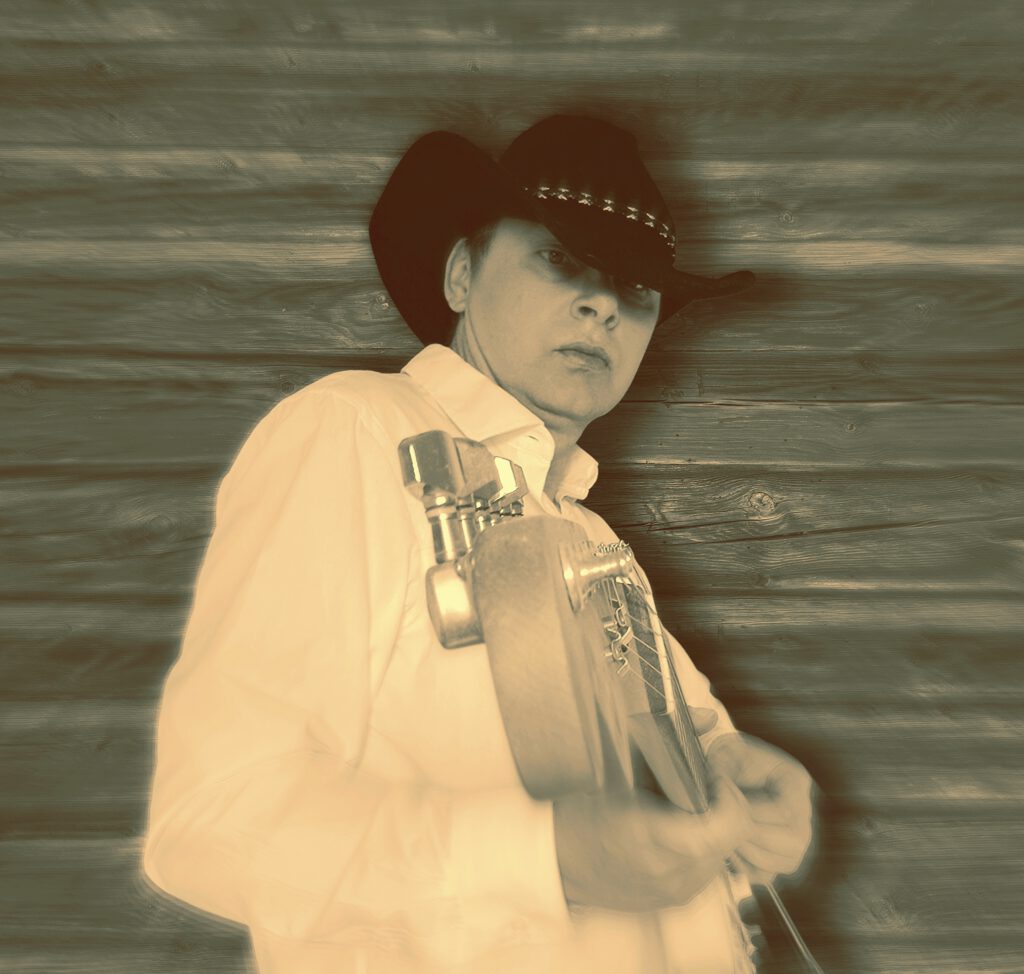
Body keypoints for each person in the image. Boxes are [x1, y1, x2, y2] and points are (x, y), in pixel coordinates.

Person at [143, 115, 815, 974]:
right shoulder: (355, 432)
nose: (604, 304)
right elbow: (214, 818)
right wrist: (542, 860)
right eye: (560, 258)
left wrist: (734, 786)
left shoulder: (591, 535)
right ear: (461, 273)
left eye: (637, 286)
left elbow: (691, 761)